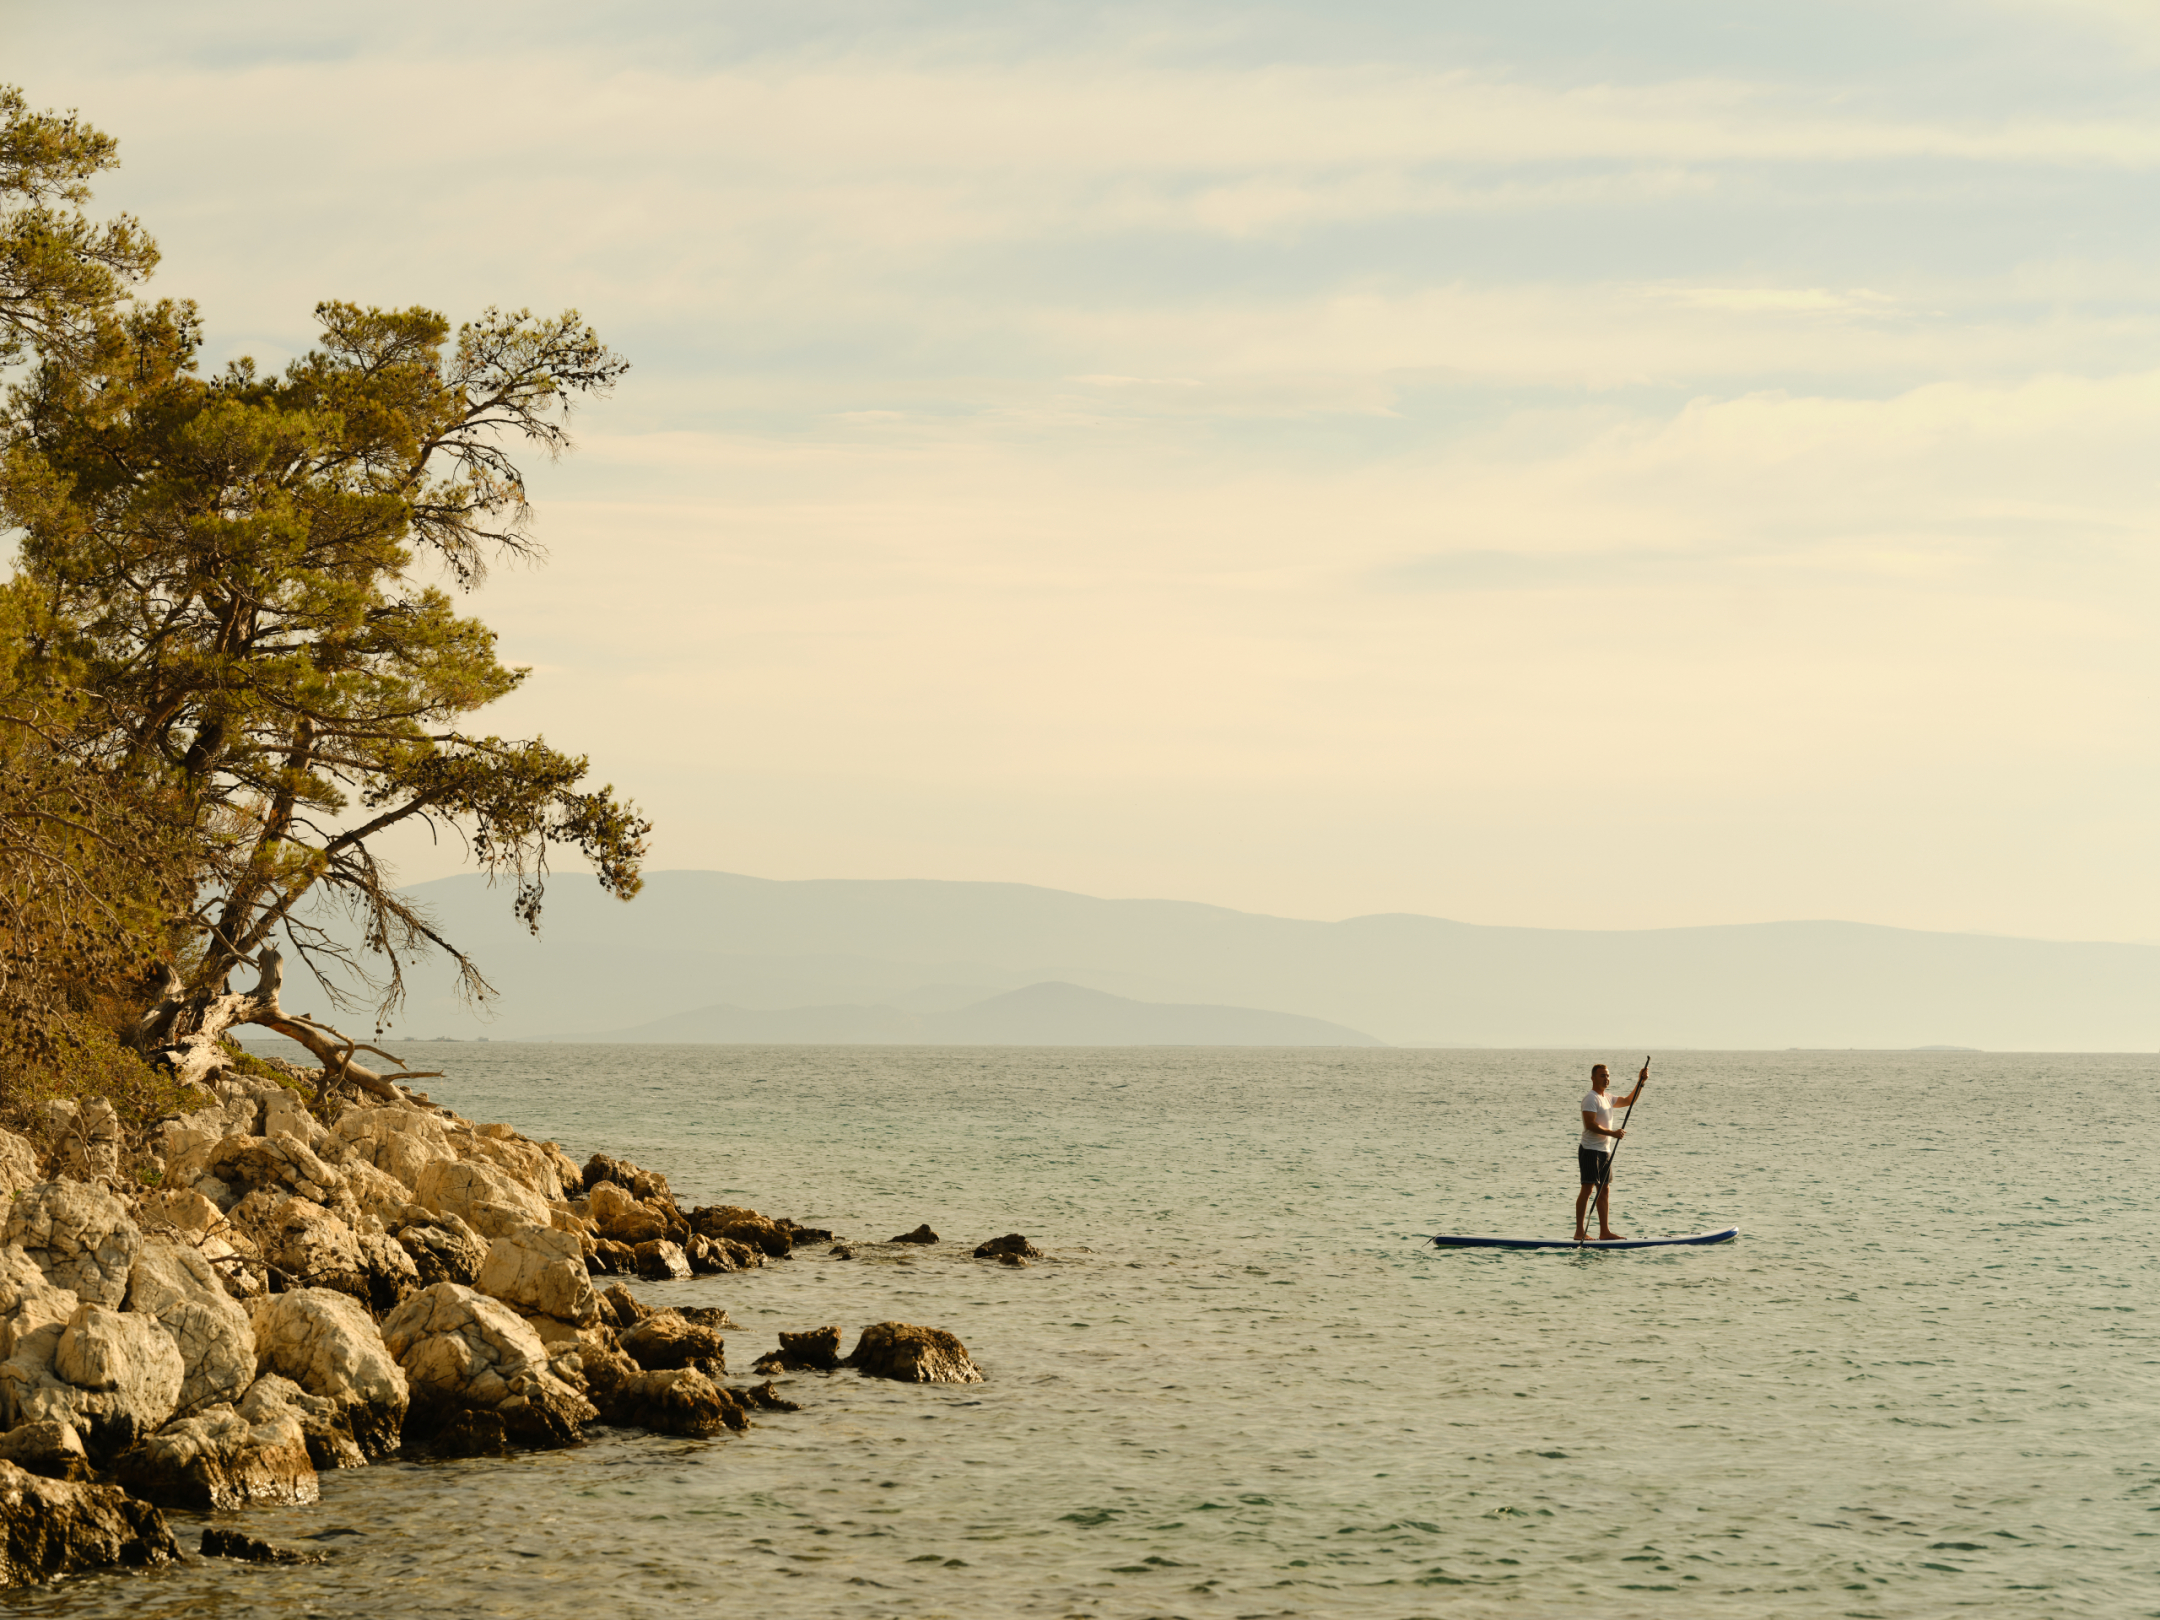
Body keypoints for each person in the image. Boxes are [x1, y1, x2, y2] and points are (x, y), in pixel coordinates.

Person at [1574, 1060, 1646, 1242]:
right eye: (1602, 1075)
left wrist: (1640, 1082)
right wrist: (1613, 1133)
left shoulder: (1608, 1098)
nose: (1606, 1078)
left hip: (1604, 1151)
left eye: (1607, 1075)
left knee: (1604, 1190)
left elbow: (1629, 1101)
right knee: (1587, 1189)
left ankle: (1604, 1232)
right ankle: (1579, 1232)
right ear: (1593, 1078)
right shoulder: (1591, 1098)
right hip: (1590, 1150)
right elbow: (1590, 1124)